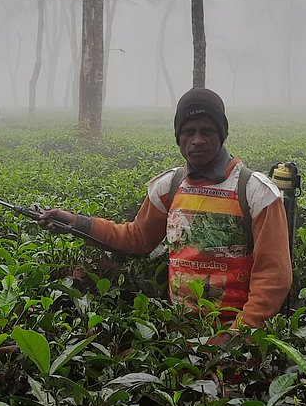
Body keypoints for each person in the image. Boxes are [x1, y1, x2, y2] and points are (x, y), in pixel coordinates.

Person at [39, 88, 292, 329]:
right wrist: (75, 222)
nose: (197, 141)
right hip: (179, 326)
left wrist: (239, 336)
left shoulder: (256, 191)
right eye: (188, 132)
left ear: (222, 134)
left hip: (233, 334)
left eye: (207, 131)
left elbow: (273, 275)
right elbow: (136, 238)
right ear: (178, 138)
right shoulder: (168, 186)